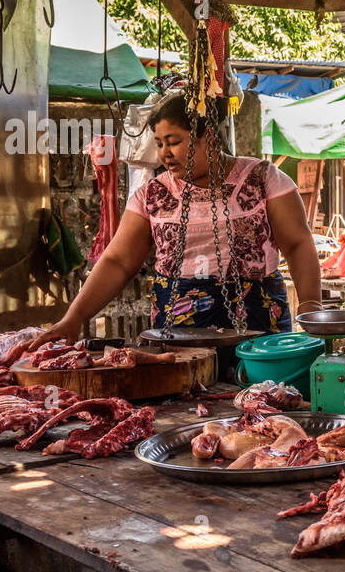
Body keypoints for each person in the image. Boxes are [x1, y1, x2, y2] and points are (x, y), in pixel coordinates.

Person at [33, 93, 322, 375]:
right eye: (159, 144)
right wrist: (74, 318)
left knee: (264, 401)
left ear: (207, 136)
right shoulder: (153, 195)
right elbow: (118, 262)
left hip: (259, 318)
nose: (165, 154)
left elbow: (298, 244)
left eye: (174, 142)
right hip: (180, 325)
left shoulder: (263, 179)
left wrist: (312, 312)